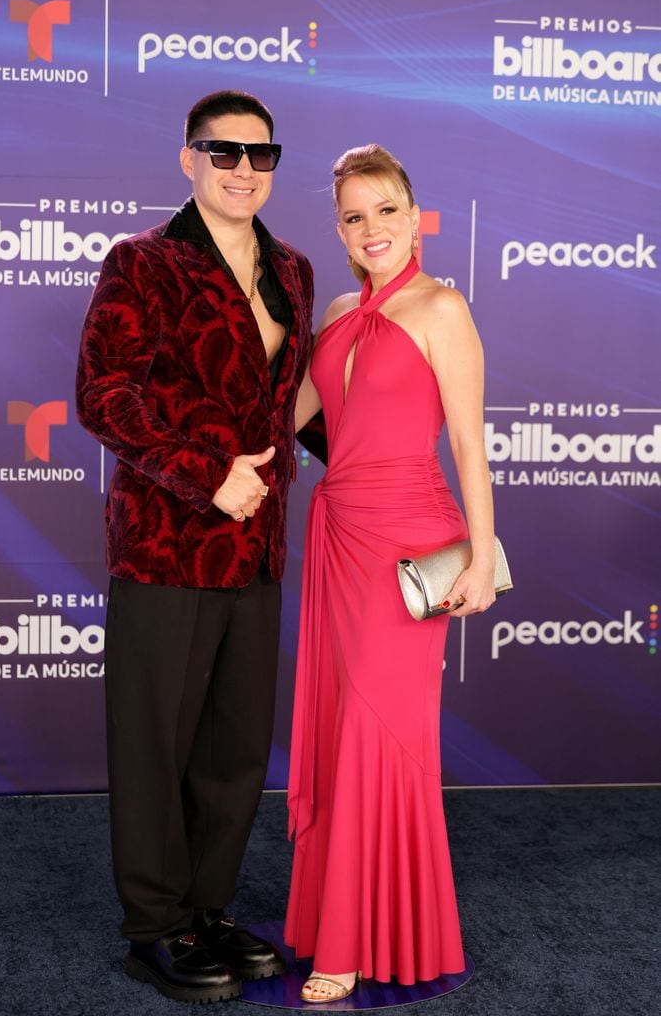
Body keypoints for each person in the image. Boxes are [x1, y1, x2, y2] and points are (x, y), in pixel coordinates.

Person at [76, 90, 314, 1005]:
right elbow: (104, 393)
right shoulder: (143, 261)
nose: (243, 170)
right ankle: (154, 926)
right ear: (189, 158)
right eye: (224, 152)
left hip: (258, 548)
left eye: (261, 155)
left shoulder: (292, 270)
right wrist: (208, 474)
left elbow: (298, 402)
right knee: (156, 742)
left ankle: (207, 909)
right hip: (167, 545)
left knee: (234, 747)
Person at [284, 144, 496, 1001]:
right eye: (353, 216)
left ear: (414, 218)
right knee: (342, 727)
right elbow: (287, 414)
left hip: (409, 540)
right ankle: (337, 917)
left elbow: (470, 445)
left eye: (385, 210)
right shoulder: (339, 309)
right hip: (338, 535)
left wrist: (481, 555)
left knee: (380, 730)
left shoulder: (443, 307)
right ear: (339, 231)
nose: (371, 227)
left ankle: (355, 939)